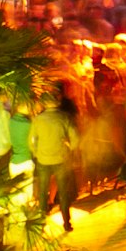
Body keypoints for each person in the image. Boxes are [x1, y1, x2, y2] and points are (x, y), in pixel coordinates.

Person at [26, 87, 81, 236]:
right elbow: (75, 139)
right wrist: (68, 148)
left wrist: (37, 152)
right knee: (63, 193)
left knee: (43, 193)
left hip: (43, 160)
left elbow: (31, 141)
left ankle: (42, 224)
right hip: (61, 159)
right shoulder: (64, 118)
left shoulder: (38, 120)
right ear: (56, 103)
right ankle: (67, 223)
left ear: (44, 104)